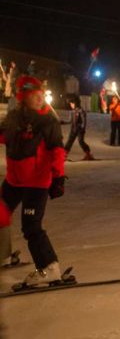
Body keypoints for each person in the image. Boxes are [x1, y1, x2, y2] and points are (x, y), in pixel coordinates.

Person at [0, 76, 66, 287]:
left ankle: (50, 268)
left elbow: (56, 150)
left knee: (31, 226)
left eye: (41, 95)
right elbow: (3, 136)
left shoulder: (47, 120)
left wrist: (58, 177)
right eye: (34, 96)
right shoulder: (13, 118)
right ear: (23, 98)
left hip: (36, 182)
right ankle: (3, 255)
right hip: (14, 180)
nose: (40, 99)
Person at [62, 95, 94, 161]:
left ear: (76, 103)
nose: (71, 105)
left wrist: (82, 127)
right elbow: (70, 121)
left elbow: (84, 120)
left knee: (81, 141)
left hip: (79, 129)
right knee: (69, 142)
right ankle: (64, 155)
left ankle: (88, 154)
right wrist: (63, 122)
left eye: (72, 103)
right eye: (70, 104)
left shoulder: (81, 110)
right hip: (73, 128)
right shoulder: (73, 111)